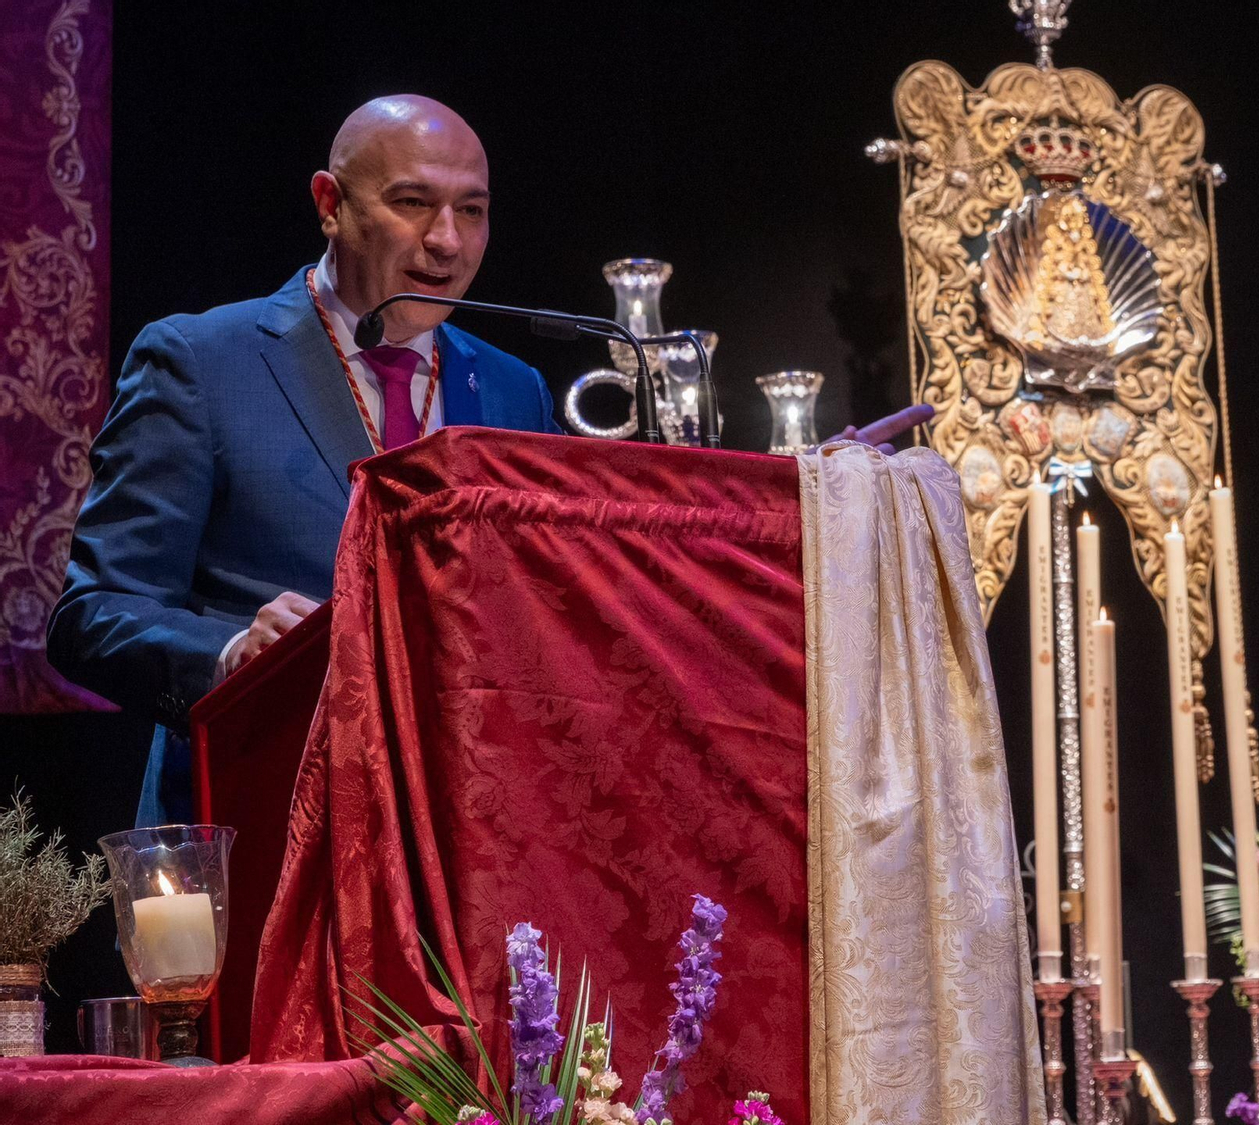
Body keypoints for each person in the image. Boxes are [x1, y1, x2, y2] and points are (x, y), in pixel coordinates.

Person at [46, 94, 930, 825]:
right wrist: (234, 650)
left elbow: (582, 590)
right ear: (329, 203)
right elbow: (93, 615)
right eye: (412, 202)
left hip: (464, 839)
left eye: (472, 210)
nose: (447, 241)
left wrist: (793, 498)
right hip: (262, 820)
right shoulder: (203, 362)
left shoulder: (509, 388)